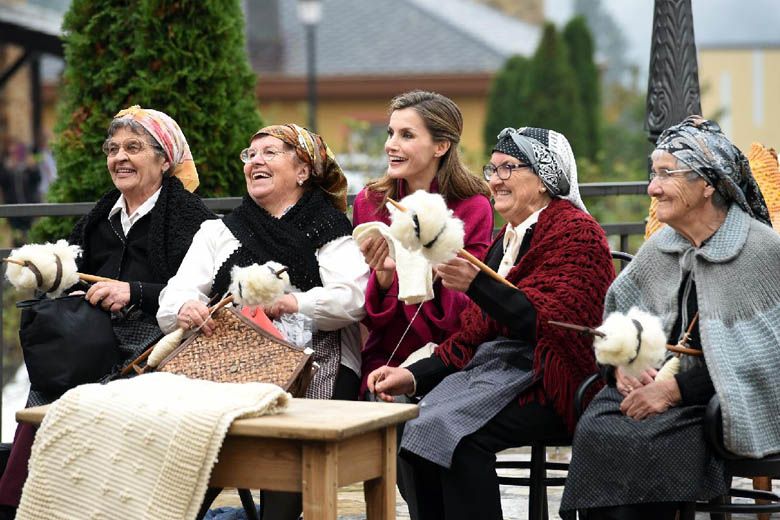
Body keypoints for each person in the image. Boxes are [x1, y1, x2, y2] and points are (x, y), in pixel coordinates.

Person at [367, 127, 615, 520]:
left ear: (544, 178)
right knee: (407, 427)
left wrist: (478, 285)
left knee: (457, 437)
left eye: (508, 168)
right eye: (492, 169)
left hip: (554, 378)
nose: (495, 180)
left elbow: (554, 327)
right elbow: (472, 336)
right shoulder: (508, 238)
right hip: (497, 372)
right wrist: (413, 376)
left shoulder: (577, 233)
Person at [0, 105, 215, 519]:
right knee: (52, 378)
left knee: (84, 391)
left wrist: (134, 292)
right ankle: (21, 503)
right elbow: (73, 272)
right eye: (113, 149)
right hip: (92, 339)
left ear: (164, 160)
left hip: (153, 345)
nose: (120, 157)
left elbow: (205, 295)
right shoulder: (102, 217)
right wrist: (50, 270)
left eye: (133, 147)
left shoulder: (192, 220)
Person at [560, 116, 780, 520]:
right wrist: (619, 367)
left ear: (708, 183)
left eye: (666, 174)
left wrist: (674, 391)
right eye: (653, 173)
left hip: (716, 403)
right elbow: (615, 326)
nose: (652, 188)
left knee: (649, 445)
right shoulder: (660, 248)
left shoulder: (761, 251)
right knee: (597, 429)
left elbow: (766, 359)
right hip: (646, 389)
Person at [157, 123, 368, 520]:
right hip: (227, 363)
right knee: (187, 461)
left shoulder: (330, 228)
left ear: (303, 170)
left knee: (285, 461)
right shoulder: (217, 231)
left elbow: (353, 298)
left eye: (270, 153)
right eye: (250, 155)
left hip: (312, 360)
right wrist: (185, 307)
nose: (255, 161)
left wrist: (294, 302)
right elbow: (174, 295)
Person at [352, 90, 494, 394]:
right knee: (372, 395)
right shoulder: (370, 202)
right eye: (390, 133)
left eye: (406, 135)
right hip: (387, 350)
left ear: (440, 146)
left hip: (448, 355)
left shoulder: (473, 207)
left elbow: (466, 313)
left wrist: (433, 265)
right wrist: (384, 276)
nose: (391, 144)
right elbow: (370, 318)